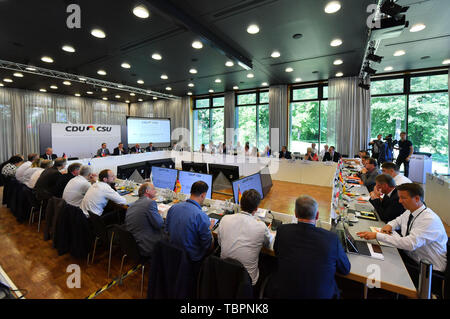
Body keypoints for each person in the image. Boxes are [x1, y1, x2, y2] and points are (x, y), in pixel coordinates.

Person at [357, 183, 447, 287]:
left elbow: (410, 244)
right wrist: (390, 225)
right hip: (410, 257)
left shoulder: (429, 220)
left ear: (417, 198)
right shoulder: (411, 210)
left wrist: (377, 235)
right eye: (399, 197)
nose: (399, 201)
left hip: (426, 270)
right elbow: (399, 220)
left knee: (377, 269)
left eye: (403, 198)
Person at [267, 195, 350, 299]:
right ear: (317, 215)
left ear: (295, 213)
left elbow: (277, 253)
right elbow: (345, 269)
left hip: (285, 293)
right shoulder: (331, 239)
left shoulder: (282, 231)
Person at [217, 189, 273, 288]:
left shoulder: (225, 219)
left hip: (223, 273)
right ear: (256, 209)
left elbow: (220, 243)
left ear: (240, 204)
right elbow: (269, 245)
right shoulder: (261, 226)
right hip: (247, 281)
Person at [166, 181, 214, 263]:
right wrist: (209, 229)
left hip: (173, 253)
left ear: (191, 192)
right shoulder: (201, 216)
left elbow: (166, 230)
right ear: (203, 195)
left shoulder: (173, 208)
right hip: (191, 258)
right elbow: (207, 245)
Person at [125, 183, 165, 257]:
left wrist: (155, 212)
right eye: (153, 189)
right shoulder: (150, 203)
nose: (156, 191)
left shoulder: (132, 205)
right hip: (146, 245)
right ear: (147, 191)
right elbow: (160, 224)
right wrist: (159, 215)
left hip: (131, 243)